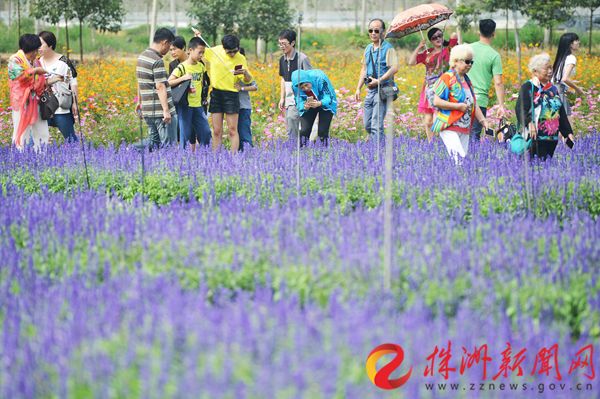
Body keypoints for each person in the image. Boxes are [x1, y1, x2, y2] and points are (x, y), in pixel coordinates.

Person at [431, 44, 489, 164]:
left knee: (461, 161)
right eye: (467, 61)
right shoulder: (446, 77)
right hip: (449, 125)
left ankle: (456, 181)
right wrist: (457, 106)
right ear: (456, 61)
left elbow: (473, 103)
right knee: (459, 159)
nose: (470, 65)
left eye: (471, 62)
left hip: (464, 127)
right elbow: (436, 101)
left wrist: (483, 121)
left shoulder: (467, 80)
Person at [516, 53, 575, 160]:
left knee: (545, 165)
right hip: (535, 137)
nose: (550, 71)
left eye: (550, 67)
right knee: (534, 165)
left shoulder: (552, 89)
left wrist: (568, 133)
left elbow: (560, 111)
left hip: (552, 137)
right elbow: (520, 109)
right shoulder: (528, 87)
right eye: (546, 68)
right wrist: (529, 123)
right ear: (535, 71)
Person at [204, 34, 253, 153]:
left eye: (234, 51)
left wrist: (245, 73)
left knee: (232, 129)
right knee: (216, 130)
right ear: (223, 47)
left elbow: (247, 80)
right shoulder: (214, 51)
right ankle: (215, 157)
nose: (232, 54)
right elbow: (199, 50)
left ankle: (233, 158)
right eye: (229, 52)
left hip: (231, 95)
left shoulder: (240, 58)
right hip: (216, 94)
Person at [408, 27, 458, 141]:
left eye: (440, 35)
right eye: (434, 37)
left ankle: (442, 140)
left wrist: (447, 35)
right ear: (430, 40)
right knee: (428, 121)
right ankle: (431, 143)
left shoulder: (448, 50)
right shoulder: (427, 52)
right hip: (429, 88)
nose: (438, 39)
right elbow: (411, 62)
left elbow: (454, 36)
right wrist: (419, 47)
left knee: (439, 117)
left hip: (443, 88)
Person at [354, 18, 399, 140]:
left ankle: (378, 152)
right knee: (367, 124)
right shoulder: (368, 48)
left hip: (383, 89)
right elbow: (364, 69)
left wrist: (379, 80)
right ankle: (379, 143)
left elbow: (395, 68)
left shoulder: (388, 48)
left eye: (376, 30)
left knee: (376, 124)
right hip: (371, 89)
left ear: (383, 32)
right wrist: (358, 88)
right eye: (371, 30)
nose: (373, 33)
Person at [136, 27, 178, 149]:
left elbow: (140, 81)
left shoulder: (142, 57)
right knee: (168, 147)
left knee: (154, 145)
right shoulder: (157, 60)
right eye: (169, 46)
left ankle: (135, 154)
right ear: (164, 42)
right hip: (160, 113)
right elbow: (160, 86)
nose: (169, 50)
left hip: (148, 111)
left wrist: (140, 101)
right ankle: (167, 167)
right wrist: (166, 110)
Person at [8, 33, 52, 152]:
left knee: (42, 130)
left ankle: (42, 155)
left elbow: (41, 79)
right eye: (36, 50)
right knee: (21, 131)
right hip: (22, 101)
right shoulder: (15, 59)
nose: (37, 53)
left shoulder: (35, 61)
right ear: (31, 50)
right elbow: (17, 76)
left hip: (36, 100)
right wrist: (36, 71)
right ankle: (18, 158)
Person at [168, 37, 211, 151]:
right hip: (185, 106)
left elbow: (203, 83)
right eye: (199, 52)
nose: (201, 55)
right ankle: (183, 160)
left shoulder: (201, 66)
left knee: (206, 132)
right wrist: (183, 78)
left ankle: (205, 157)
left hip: (198, 106)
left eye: (203, 52)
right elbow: (169, 82)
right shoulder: (181, 67)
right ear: (190, 50)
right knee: (185, 136)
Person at [467, 19, 507, 142]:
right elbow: (498, 82)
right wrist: (501, 105)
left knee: (461, 134)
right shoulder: (494, 55)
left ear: (478, 31)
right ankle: (472, 161)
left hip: (461, 97)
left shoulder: (467, 49)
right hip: (480, 100)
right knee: (474, 135)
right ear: (493, 33)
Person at [38, 31, 78, 143]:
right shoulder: (37, 62)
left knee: (71, 140)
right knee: (36, 140)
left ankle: (78, 156)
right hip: (43, 108)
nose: (38, 47)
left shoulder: (64, 61)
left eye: (41, 44)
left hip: (61, 108)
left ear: (50, 45)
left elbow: (73, 81)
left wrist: (75, 102)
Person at [278, 29, 312, 142]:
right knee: (291, 124)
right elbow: (283, 78)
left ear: (292, 43)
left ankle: (294, 147)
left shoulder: (302, 58)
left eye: (284, 44)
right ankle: (298, 147)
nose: (282, 46)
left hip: (299, 96)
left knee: (292, 118)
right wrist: (282, 97)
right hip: (288, 97)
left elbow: (310, 79)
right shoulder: (282, 59)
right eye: (280, 44)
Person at [291, 69, 337, 147]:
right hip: (309, 103)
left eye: (306, 85)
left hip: (325, 102)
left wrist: (320, 103)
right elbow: (298, 101)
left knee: (322, 131)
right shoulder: (295, 87)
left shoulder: (320, 78)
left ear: (309, 81)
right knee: (304, 130)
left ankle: (323, 153)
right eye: (302, 88)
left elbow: (329, 96)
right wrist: (304, 106)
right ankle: (303, 153)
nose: (305, 89)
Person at [552, 33, 584, 128]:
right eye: (576, 40)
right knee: (568, 127)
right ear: (570, 44)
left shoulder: (562, 58)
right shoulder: (571, 58)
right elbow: (564, 79)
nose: (578, 42)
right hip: (559, 93)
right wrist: (578, 89)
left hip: (552, 92)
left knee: (557, 126)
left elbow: (557, 78)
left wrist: (573, 83)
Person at [236, 47, 257, 151]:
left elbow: (255, 87)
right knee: (236, 132)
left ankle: (248, 153)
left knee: (244, 132)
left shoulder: (246, 72)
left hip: (244, 106)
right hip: (232, 107)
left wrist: (241, 88)